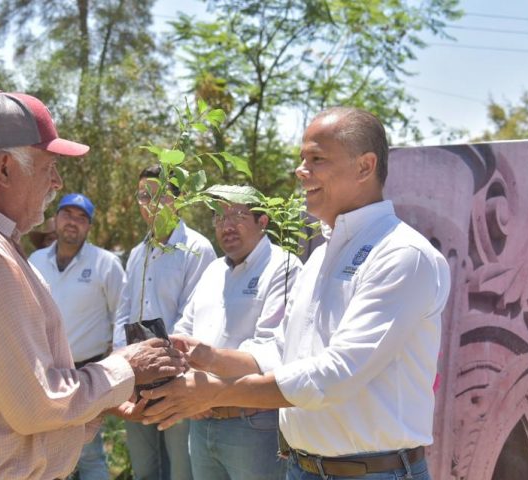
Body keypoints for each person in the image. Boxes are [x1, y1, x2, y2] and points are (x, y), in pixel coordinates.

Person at [141, 107, 452, 480]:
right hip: (303, 468)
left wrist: (217, 392)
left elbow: (337, 374)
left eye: (317, 159)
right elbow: (283, 352)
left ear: (365, 167)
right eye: (302, 159)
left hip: (374, 472)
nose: (300, 172)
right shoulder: (321, 255)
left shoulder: (402, 255)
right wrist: (212, 358)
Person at [0, 91, 185, 480]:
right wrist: (127, 367)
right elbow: (35, 406)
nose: (57, 181)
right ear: (3, 169)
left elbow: (8, 403)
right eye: (47, 166)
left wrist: (100, 399)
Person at [172, 197, 301, 480]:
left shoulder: (283, 267)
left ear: (263, 222)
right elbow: (185, 329)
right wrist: (188, 382)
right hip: (201, 420)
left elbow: (271, 354)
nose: (226, 226)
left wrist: (209, 371)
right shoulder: (213, 270)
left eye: (237, 217)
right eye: (219, 218)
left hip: (253, 423)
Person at [113, 164, 216, 480]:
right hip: (135, 378)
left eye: (158, 196)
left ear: (178, 199)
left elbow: (193, 315)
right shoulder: (137, 253)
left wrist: (162, 366)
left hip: (177, 377)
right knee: (145, 467)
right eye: (143, 196)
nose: (150, 204)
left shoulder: (197, 249)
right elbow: (124, 312)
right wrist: (124, 366)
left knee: (181, 470)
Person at [28, 193, 126, 480]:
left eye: (82, 218)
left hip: (87, 369)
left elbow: (121, 314)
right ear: (55, 220)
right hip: (44, 370)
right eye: (68, 214)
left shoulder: (105, 263)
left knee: (89, 450)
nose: (73, 222)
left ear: (89, 227)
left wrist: (116, 363)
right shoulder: (35, 260)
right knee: (44, 450)